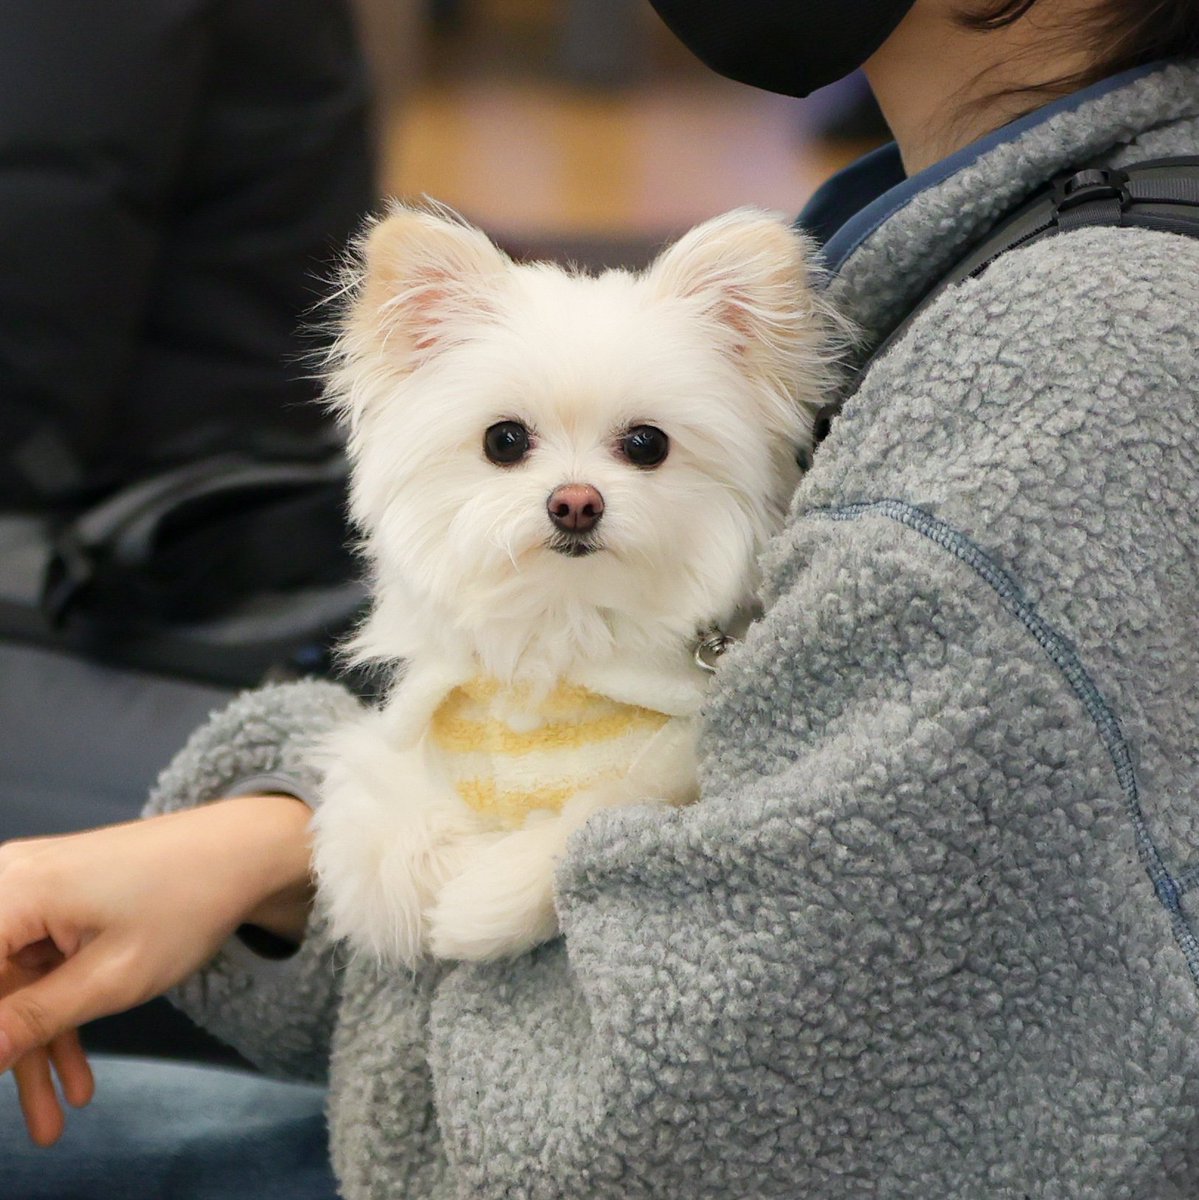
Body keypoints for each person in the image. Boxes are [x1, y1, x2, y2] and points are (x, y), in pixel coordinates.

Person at [3, 1, 1199, 1195]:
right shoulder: (975, 248)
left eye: (634, 448)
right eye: (517, 443)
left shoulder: (1060, 392)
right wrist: (269, 847)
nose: (574, 498)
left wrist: (311, 889)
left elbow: (636, 1131)